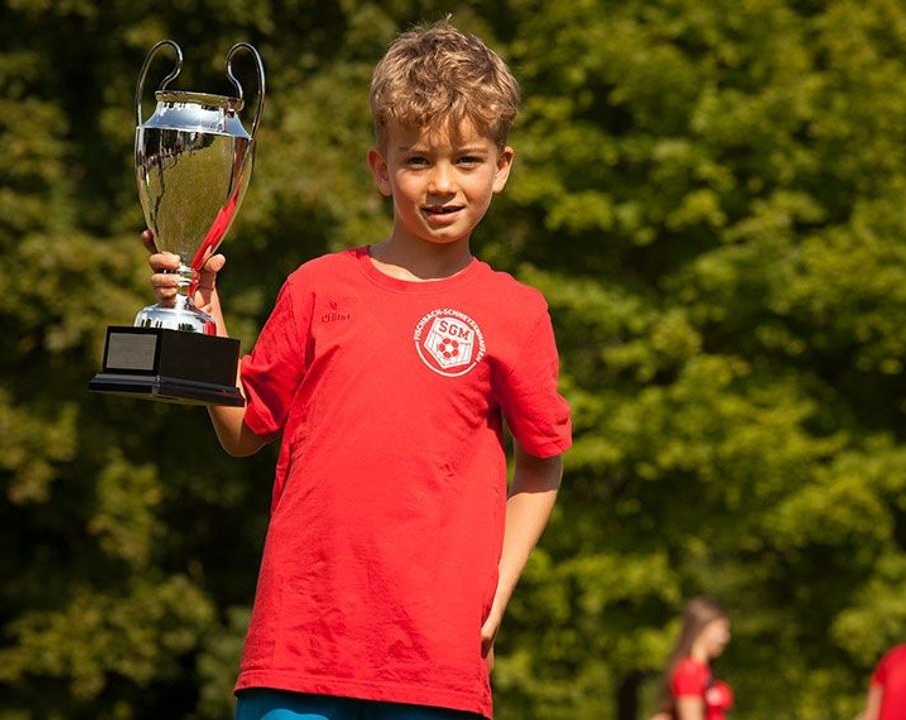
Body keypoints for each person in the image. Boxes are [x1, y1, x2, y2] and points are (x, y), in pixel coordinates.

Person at [144, 18, 571, 720]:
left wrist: (497, 588)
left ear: (502, 167)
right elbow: (243, 431)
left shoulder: (515, 312)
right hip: (297, 653)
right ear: (380, 168)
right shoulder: (317, 287)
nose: (442, 183)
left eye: (466, 160)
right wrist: (201, 310)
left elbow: (543, 461)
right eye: (417, 160)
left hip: (433, 665)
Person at [650, 596, 734, 720]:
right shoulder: (690, 671)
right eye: (721, 629)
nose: (726, 637)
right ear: (703, 628)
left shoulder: (704, 671)